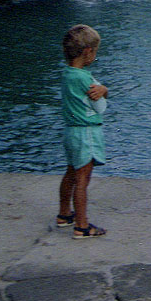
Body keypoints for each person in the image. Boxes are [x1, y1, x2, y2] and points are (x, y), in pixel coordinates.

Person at [57, 24, 110, 238]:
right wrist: (104, 90)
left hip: (71, 131)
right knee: (82, 179)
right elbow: (100, 106)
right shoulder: (85, 78)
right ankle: (82, 225)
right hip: (86, 132)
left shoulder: (67, 74)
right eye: (95, 51)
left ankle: (64, 214)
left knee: (71, 172)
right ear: (88, 52)